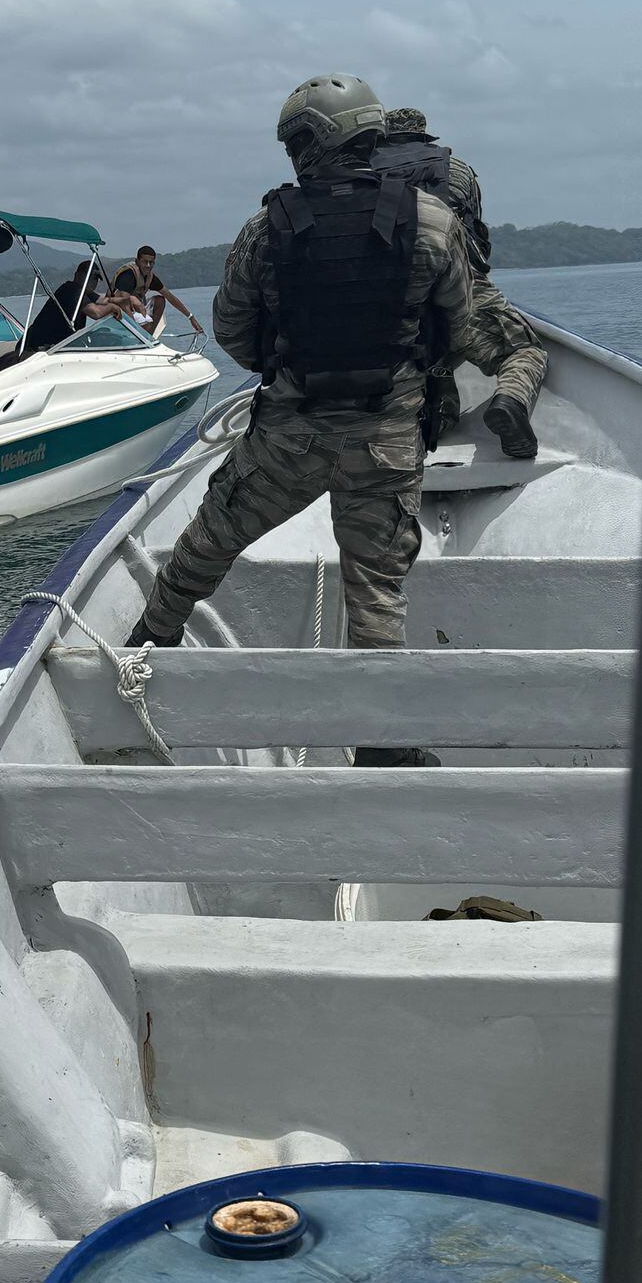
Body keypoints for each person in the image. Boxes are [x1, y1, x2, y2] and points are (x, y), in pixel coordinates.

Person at [126, 73, 473, 767]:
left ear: (313, 144)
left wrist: (286, 372)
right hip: (384, 439)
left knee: (210, 538)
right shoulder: (433, 221)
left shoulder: (267, 228)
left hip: (288, 434)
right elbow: (458, 328)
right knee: (375, 588)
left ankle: (146, 647)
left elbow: (232, 327)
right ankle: (381, 746)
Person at [377, 107, 546, 459]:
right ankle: (511, 399)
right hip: (461, 282)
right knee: (523, 350)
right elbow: (474, 239)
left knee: (418, 359)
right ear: (424, 134)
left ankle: (433, 409)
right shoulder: (457, 170)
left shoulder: (363, 175)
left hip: (390, 298)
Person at [19, 262, 123, 356]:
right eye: (91, 277)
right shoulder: (72, 290)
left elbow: (104, 301)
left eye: (96, 279)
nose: (93, 282)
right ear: (78, 275)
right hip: (36, 350)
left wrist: (127, 300)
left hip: (55, 347)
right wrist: (112, 308)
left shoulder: (85, 292)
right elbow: (96, 313)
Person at [110, 246, 203, 335]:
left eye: (151, 262)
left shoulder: (150, 277)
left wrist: (190, 317)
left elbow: (170, 297)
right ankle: (140, 335)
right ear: (137, 261)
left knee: (160, 300)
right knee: (144, 321)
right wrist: (135, 329)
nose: (148, 265)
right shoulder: (128, 275)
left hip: (136, 309)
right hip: (117, 311)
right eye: (145, 262)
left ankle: (149, 335)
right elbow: (124, 303)